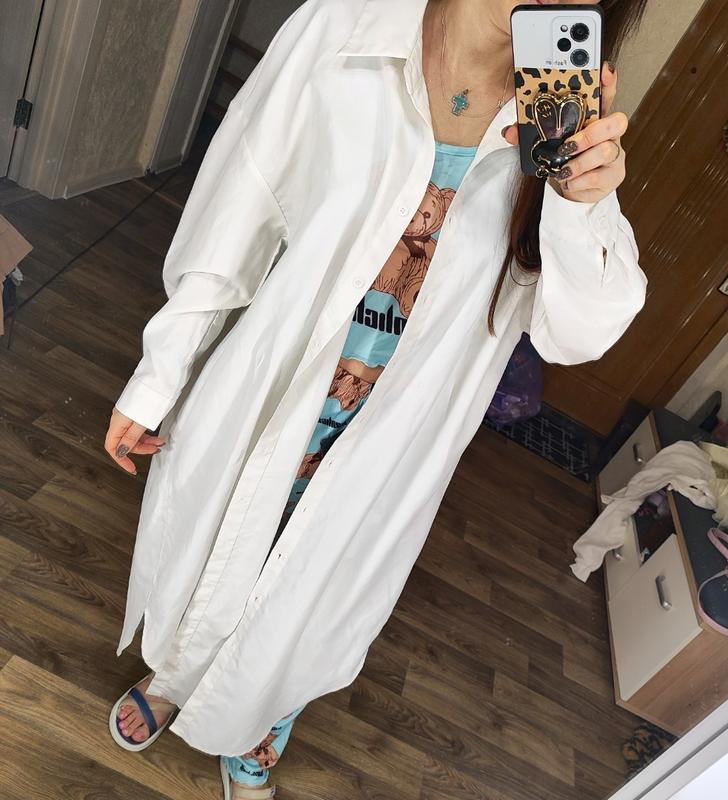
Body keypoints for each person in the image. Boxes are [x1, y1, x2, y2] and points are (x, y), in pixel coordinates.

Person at [105, 0, 649, 795]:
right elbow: (237, 210)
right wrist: (160, 374)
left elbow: (577, 334)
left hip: (395, 439)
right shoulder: (347, 28)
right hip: (273, 388)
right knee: (217, 540)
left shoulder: (564, 132)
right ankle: (177, 677)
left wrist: (580, 204)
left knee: (312, 599)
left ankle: (262, 723)